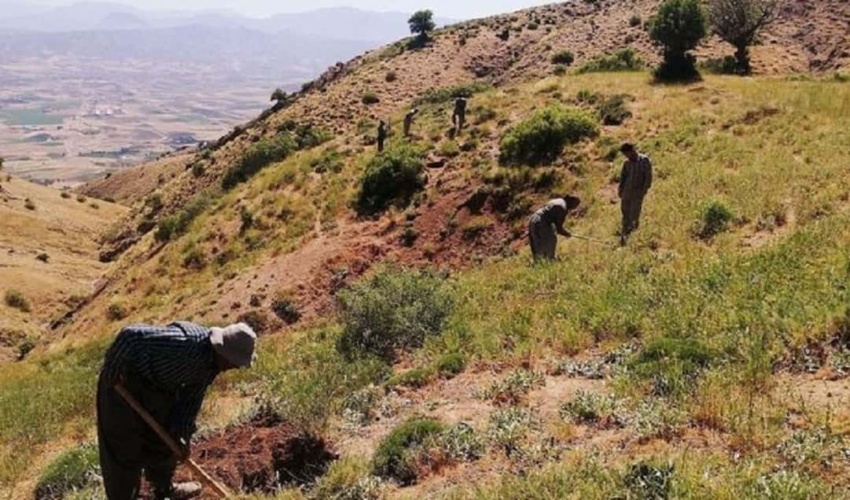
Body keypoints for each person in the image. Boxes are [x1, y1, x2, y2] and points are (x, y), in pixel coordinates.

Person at [97, 321, 257, 500]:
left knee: (166, 439)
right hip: (122, 382)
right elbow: (129, 336)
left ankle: (164, 490)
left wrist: (182, 434)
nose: (235, 367)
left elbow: (190, 400)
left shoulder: (212, 366)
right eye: (235, 362)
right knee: (123, 449)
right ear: (223, 352)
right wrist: (112, 368)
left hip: (156, 387)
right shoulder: (183, 343)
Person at [617, 143, 653, 245]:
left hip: (637, 193)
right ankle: (624, 237)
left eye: (627, 153)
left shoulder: (644, 161)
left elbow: (648, 177)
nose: (627, 156)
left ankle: (633, 238)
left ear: (632, 150)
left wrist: (644, 190)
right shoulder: (626, 163)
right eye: (625, 154)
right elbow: (623, 178)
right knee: (625, 214)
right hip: (626, 192)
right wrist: (620, 190)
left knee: (634, 215)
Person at [528, 195, 581, 262]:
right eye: (575, 204)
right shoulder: (562, 207)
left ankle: (539, 262)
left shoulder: (558, 201)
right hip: (541, 222)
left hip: (533, 219)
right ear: (571, 201)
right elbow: (559, 229)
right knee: (550, 240)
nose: (574, 207)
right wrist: (568, 234)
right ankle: (549, 260)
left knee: (537, 243)